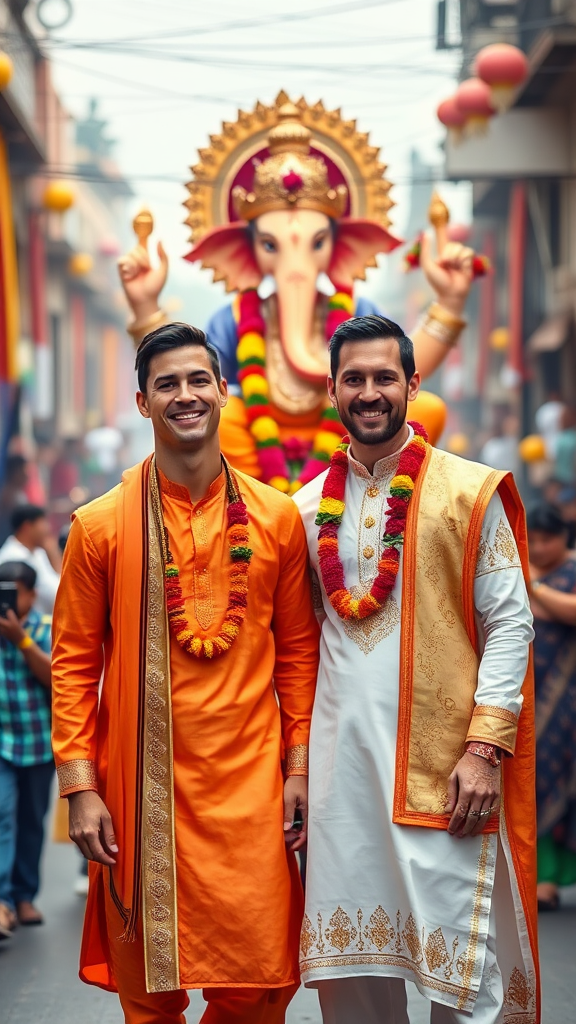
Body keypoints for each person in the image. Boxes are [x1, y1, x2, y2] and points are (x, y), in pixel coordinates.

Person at [51, 323, 319, 1023]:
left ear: (223, 391)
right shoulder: (100, 526)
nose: (185, 395)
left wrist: (299, 767)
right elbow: (74, 663)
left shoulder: (276, 518)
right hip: (146, 791)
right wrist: (80, 787)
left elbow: (297, 654)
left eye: (198, 380)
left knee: (260, 985)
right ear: (143, 402)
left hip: (253, 792)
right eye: (166, 384)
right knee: (152, 995)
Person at [294, 315, 539, 1024]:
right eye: (354, 379)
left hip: (445, 777)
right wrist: (299, 772)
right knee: (355, 981)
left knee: (461, 972)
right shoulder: (305, 511)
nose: (369, 392)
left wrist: (484, 748)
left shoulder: (469, 493)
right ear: (333, 391)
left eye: (384, 378)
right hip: (344, 787)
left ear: (412, 383)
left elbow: (510, 621)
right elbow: (297, 646)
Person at [527, 503, 576, 911]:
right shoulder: (518, 568)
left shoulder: (569, 571)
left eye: (549, 539)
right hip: (524, 694)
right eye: (535, 539)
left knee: (557, 776)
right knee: (529, 779)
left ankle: (551, 878)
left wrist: (535, 588)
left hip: (565, 697)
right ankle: (533, 875)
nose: (540, 547)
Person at [0, 561, 53, 938]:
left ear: (32, 595)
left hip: (38, 743)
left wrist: (20, 639)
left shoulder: (46, 628)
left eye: (15, 591)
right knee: (2, 816)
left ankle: (23, 896)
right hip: (2, 744)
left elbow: (57, 677)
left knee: (32, 822)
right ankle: (2, 901)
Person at [0, 505, 61, 615]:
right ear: (27, 526)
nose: (48, 529)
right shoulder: (11, 558)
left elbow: (56, 588)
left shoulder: (38, 552)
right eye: (43, 523)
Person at [0, 454, 28, 546]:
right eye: (24, 471)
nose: (27, 475)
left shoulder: (18, 493)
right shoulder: (9, 496)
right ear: (15, 472)